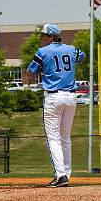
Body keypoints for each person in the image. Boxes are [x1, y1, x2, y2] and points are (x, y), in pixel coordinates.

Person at [27, 24, 86, 187]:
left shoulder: (42, 51)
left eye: (44, 35)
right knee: (65, 138)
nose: (41, 38)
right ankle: (66, 173)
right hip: (71, 97)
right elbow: (82, 56)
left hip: (54, 97)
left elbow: (30, 72)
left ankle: (60, 175)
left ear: (52, 36)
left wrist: (46, 67)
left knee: (53, 138)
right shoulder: (72, 49)